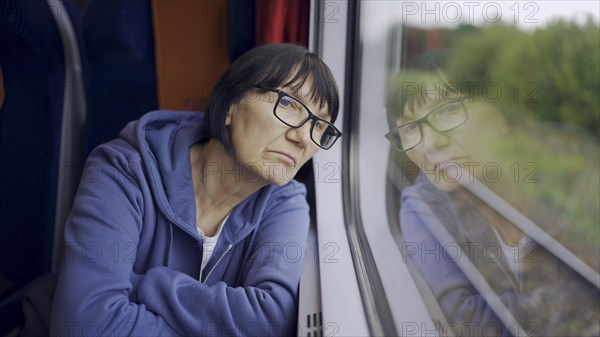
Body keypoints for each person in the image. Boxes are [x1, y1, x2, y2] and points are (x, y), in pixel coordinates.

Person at [44, 43, 341, 336]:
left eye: (319, 124)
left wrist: (144, 285)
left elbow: (270, 319)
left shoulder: (286, 201)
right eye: (288, 103)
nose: (304, 138)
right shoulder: (122, 170)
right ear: (231, 105)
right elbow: (85, 324)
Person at [385, 52, 599, 336]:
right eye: (410, 128)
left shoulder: (570, 166)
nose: (429, 143)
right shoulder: (424, 205)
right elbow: (469, 323)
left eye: (448, 109)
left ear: (501, 112)